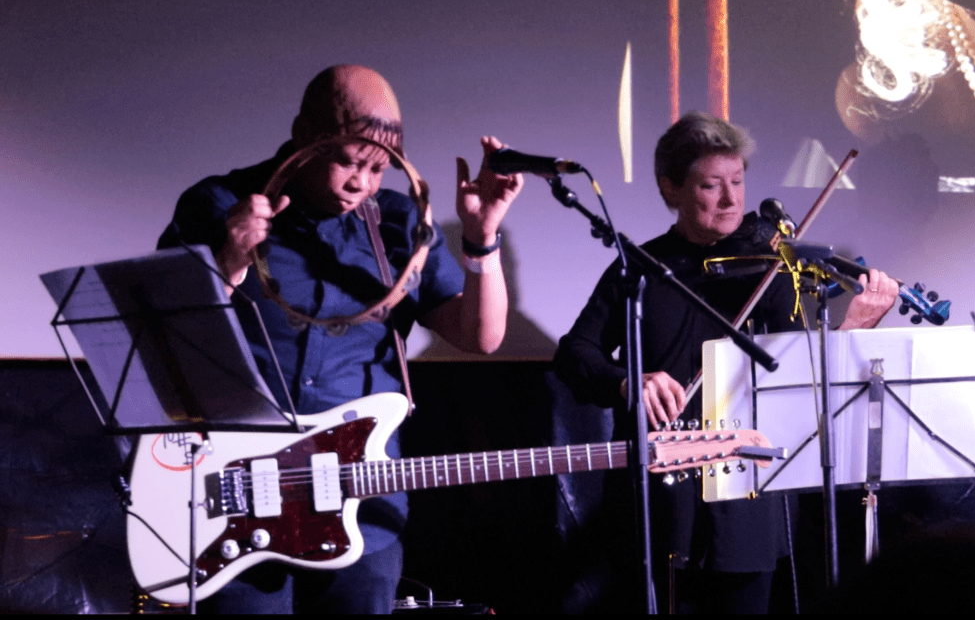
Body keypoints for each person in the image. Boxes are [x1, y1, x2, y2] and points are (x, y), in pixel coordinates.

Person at [157, 64, 523, 613]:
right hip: (239, 497)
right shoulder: (217, 204)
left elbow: (481, 337)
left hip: (360, 505)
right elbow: (166, 336)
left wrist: (482, 237)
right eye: (349, 162)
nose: (362, 183)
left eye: (378, 168)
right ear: (304, 135)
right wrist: (227, 260)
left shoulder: (398, 221)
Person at [554, 111, 898, 613]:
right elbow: (575, 353)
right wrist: (627, 382)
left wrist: (854, 329)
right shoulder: (640, 270)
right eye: (711, 185)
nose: (731, 199)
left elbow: (805, 382)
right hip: (654, 500)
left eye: (737, 181)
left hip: (746, 501)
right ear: (670, 188)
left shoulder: (773, 272)